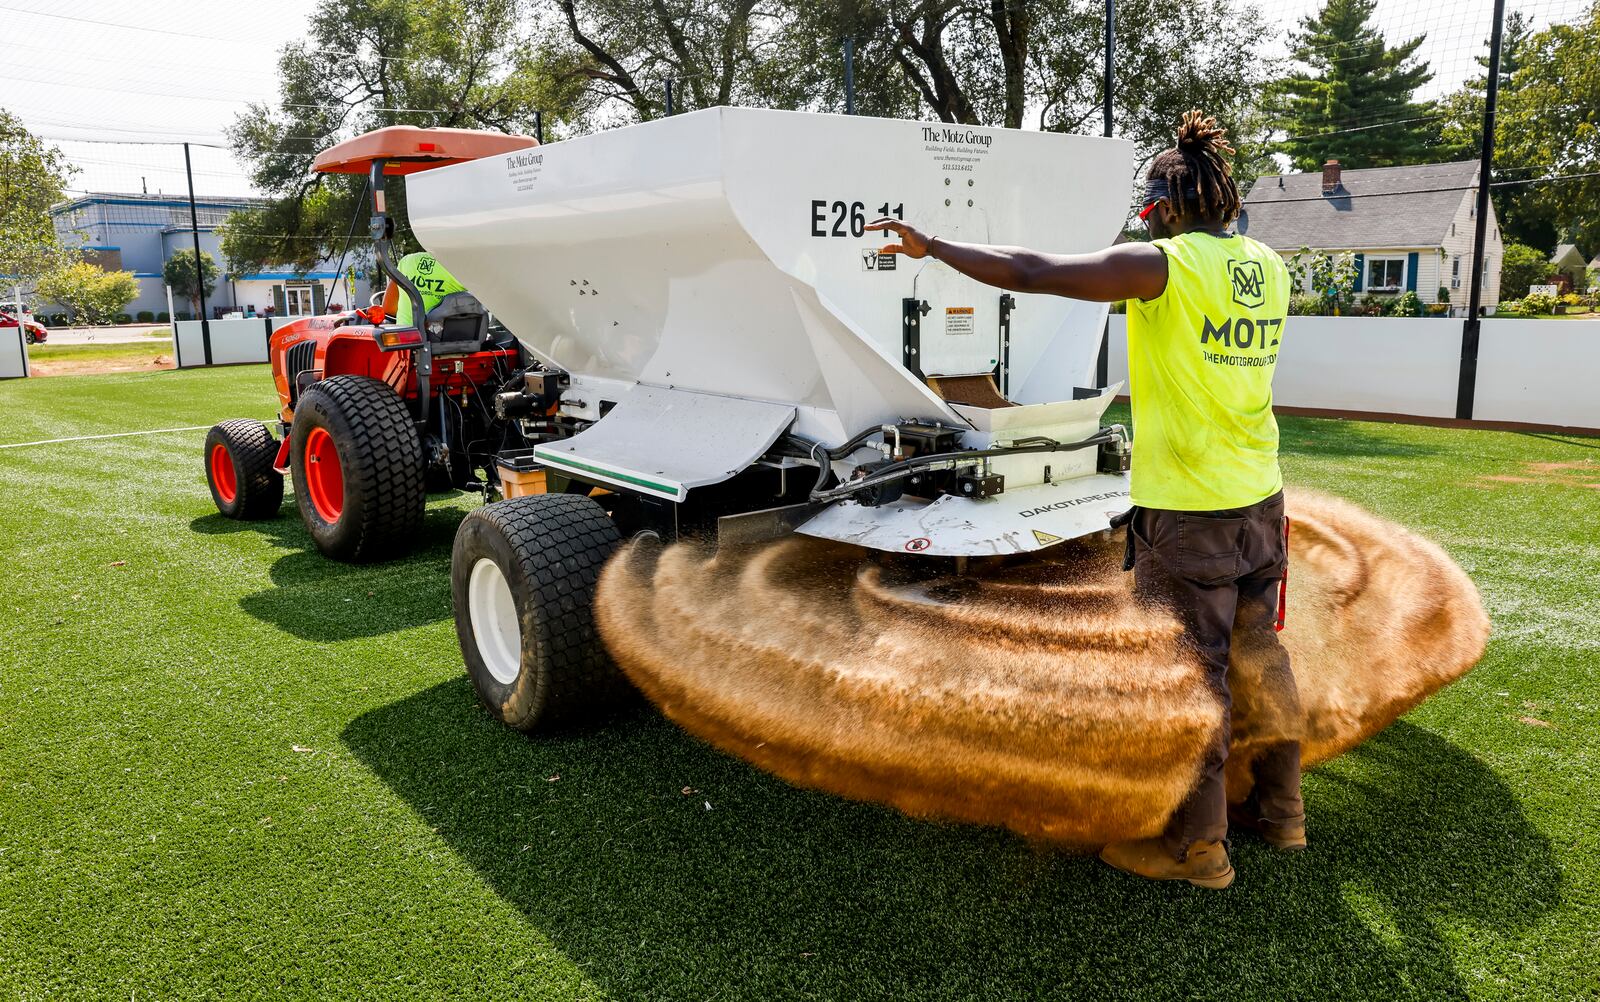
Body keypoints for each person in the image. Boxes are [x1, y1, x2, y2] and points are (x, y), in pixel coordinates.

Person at [867, 110, 1297, 890]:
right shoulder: (1269, 265)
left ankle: (1196, 849)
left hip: (1190, 506)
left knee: (1193, 674)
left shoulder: (1165, 266)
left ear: (1164, 209)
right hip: (1261, 497)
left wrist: (934, 248)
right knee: (1261, 654)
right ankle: (1283, 812)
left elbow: (1033, 272)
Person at [383, 250, 467, 326]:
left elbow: (388, 309)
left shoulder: (407, 261)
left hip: (406, 337)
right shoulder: (464, 268)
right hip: (454, 338)